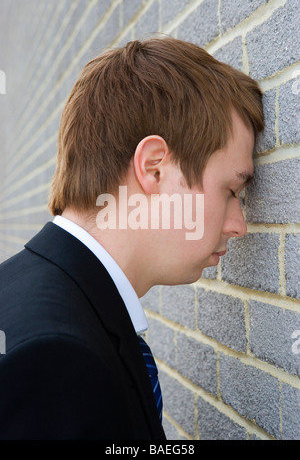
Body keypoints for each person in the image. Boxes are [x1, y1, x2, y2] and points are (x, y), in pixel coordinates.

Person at [0, 38, 264, 440]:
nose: (239, 225)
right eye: (231, 191)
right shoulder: (57, 358)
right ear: (154, 168)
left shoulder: (27, 291)